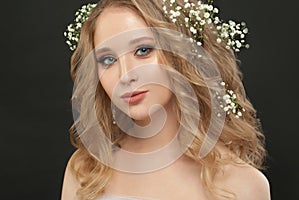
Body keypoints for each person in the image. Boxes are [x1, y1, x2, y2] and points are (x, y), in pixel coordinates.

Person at [61, 0, 271, 199]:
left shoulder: (241, 185)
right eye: (108, 60)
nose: (125, 75)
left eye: (143, 50)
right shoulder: (86, 171)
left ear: (182, 54)